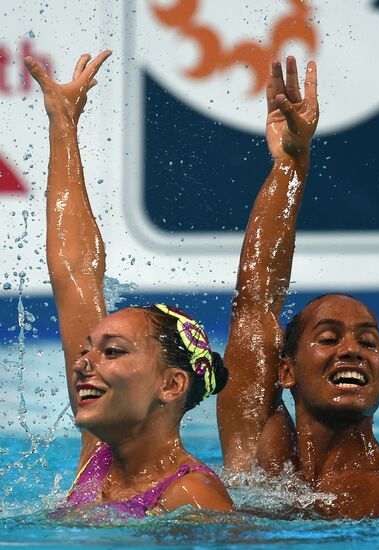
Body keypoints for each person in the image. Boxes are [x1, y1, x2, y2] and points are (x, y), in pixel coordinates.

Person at [217, 56, 379, 519]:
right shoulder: (258, 460)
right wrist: (291, 163)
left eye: (368, 342)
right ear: (284, 372)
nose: (352, 350)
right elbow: (255, 302)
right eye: (328, 338)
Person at [24, 51, 232, 517]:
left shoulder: (192, 498)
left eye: (111, 352)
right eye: (87, 350)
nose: (81, 364)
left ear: (172, 383)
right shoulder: (98, 458)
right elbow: (74, 271)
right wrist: (63, 126)